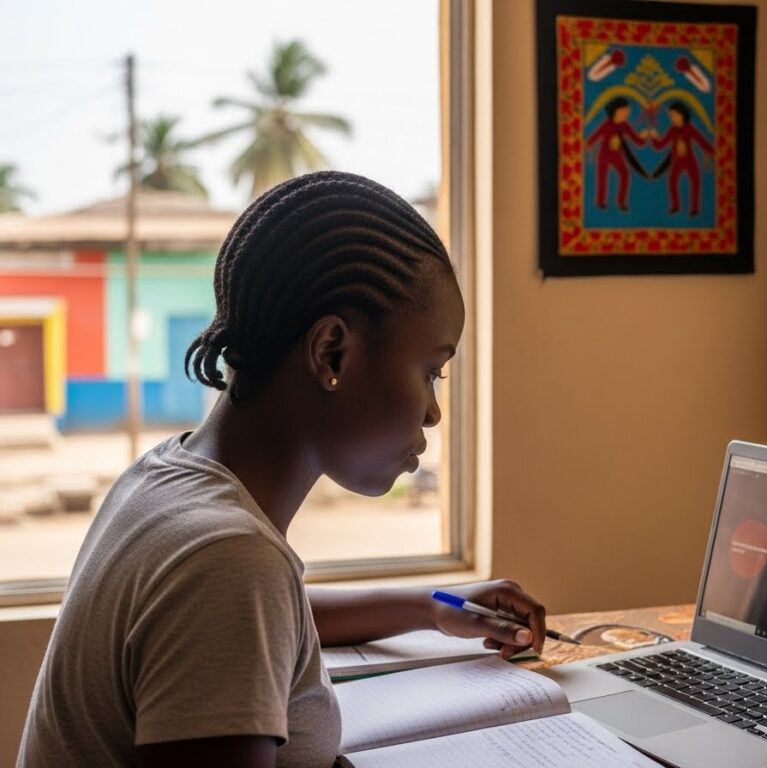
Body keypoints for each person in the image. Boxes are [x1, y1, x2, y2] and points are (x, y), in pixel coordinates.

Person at [18, 172, 549, 768]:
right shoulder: (225, 559)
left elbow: (267, 622)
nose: (433, 411)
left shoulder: (167, 476)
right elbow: (239, 602)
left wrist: (432, 605)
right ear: (331, 353)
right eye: (430, 370)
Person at [585, 96, 649, 211]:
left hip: (617, 156)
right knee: (602, 178)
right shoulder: (606, 124)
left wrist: (644, 137)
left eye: (627, 112)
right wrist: (587, 145)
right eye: (624, 112)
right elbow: (595, 136)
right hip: (603, 156)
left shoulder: (625, 125)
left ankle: (621, 202)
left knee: (625, 174)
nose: (627, 114)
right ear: (616, 111)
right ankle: (600, 201)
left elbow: (638, 141)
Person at [650, 101, 714, 215]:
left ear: (682, 115)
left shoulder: (689, 128)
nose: (672, 118)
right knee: (672, 181)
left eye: (674, 115)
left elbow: (701, 141)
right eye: (671, 116)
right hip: (677, 161)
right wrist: (654, 137)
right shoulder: (672, 130)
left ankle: (694, 208)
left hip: (690, 160)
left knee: (695, 182)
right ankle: (675, 206)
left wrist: (712, 152)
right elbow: (660, 146)